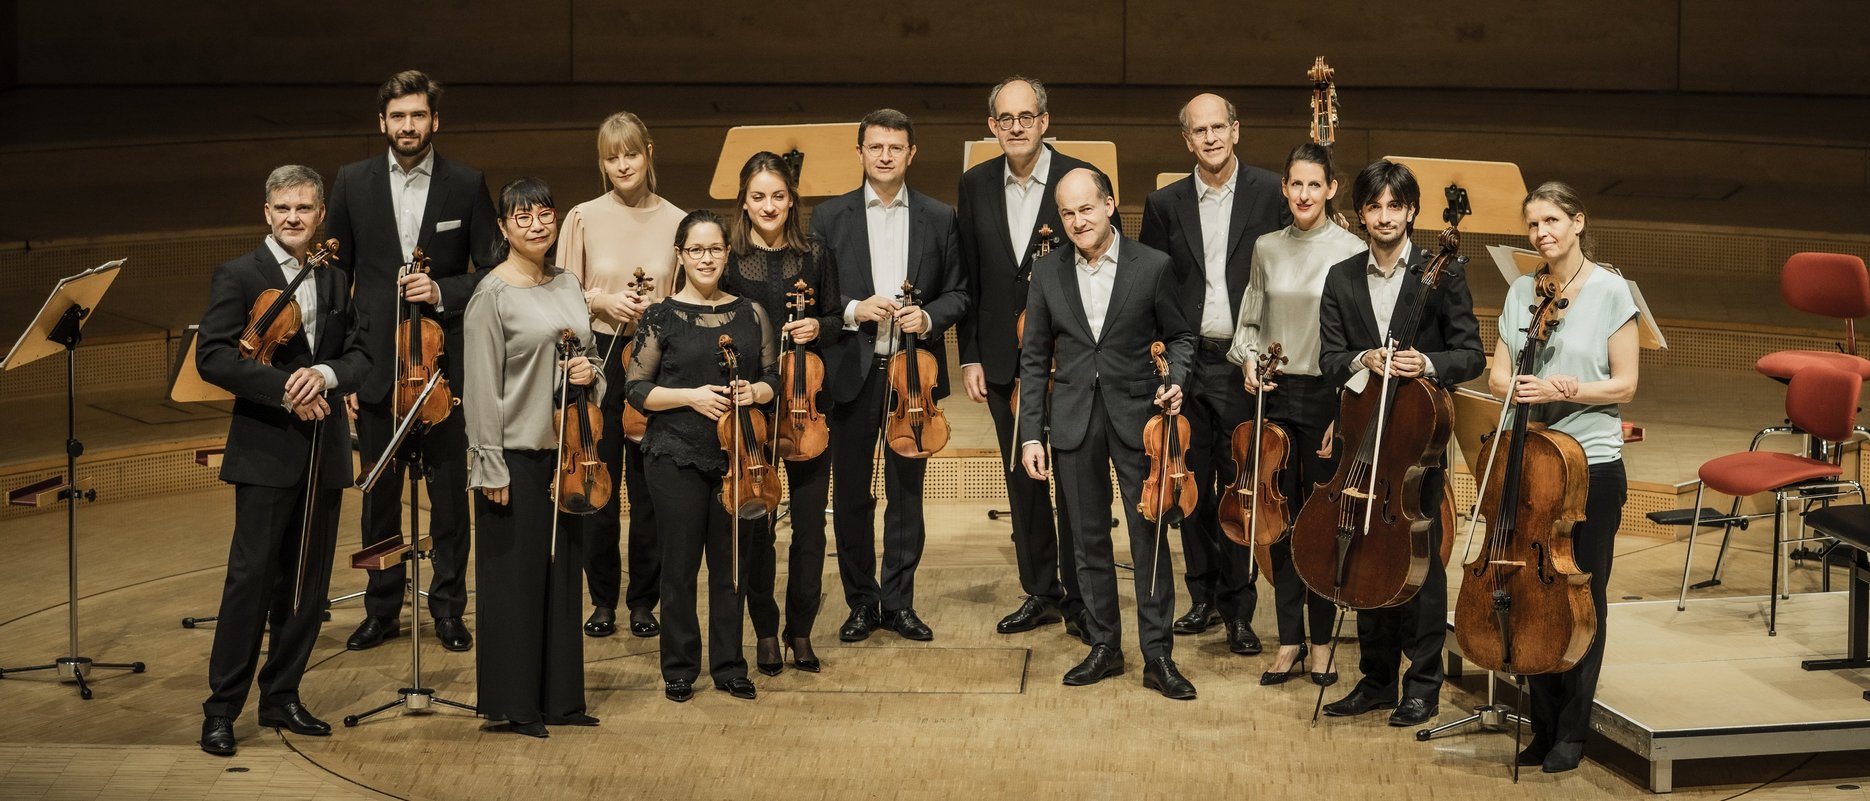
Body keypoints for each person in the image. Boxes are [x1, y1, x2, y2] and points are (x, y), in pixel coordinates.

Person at [196, 165, 370, 756]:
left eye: (303, 208)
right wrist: (284, 385)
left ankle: (282, 695)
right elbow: (214, 358)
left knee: (307, 585)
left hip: (324, 452)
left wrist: (324, 373)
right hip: (266, 448)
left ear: (321, 214)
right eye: (282, 208)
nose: (292, 217)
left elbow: (361, 356)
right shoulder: (240, 274)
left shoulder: (336, 277)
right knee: (250, 581)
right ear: (266, 213)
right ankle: (221, 709)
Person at [325, 69, 499, 653]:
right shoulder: (351, 183)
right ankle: (382, 609)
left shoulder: (467, 183)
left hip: (442, 370)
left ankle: (449, 608)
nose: (408, 126)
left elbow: (491, 275)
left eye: (418, 115)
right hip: (374, 365)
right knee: (380, 500)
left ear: (434, 120)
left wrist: (444, 292)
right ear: (383, 122)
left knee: (450, 502)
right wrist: (342, 369)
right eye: (397, 117)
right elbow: (336, 281)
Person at [1017, 168, 1198, 699]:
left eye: (1087, 209)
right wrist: (1031, 433)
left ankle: (1158, 654)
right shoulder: (1047, 273)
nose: (1077, 222)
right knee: (1087, 537)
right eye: (1068, 213)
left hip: (1139, 419)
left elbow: (1181, 337)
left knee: (1149, 539)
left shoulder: (1153, 266)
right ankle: (1104, 646)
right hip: (1073, 419)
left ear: (1111, 204)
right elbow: (1033, 360)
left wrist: (1177, 382)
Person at [1317, 159, 1484, 728]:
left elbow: (1471, 353)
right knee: (1364, 548)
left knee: (1421, 561)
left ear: (1411, 211)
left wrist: (1428, 362)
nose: (1384, 217)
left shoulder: (1443, 272)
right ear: (1360, 213)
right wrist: (1363, 359)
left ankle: (1424, 683)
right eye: (1374, 207)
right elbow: (1329, 359)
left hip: (1419, 443)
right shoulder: (1341, 277)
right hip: (1362, 434)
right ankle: (1375, 678)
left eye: (1395, 206)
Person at [957, 76, 1115, 640]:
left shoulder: (1079, 180)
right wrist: (970, 353)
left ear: (1045, 121)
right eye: (1005, 118)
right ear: (992, 126)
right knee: (1022, 481)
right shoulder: (974, 184)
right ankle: (1040, 591)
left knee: (1075, 479)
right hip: (1003, 357)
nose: (1017, 127)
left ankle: (1082, 595)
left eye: (1027, 116)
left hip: (1071, 358)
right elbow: (969, 275)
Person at [1490, 182, 1638, 773]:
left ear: (1578, 222)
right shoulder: (1525, 290)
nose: (1541, 234)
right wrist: (1520, 385)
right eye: (1532, 225)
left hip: (1590, 466)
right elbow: (1499, 375)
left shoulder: (1610, 290)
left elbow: (1625, 384)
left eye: (1552, 221)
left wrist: (1564, 388)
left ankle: (1573, 732)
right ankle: (1542, 724)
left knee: (1579, 596)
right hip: (1533, 459)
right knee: (1533, 594)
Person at [1138, 92, 1289, 655]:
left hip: (1243, 361)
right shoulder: (1164, 202)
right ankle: (1201, 595)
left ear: (1236, 129)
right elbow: (1153, 283)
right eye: (1198, 130)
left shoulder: (1269, 192)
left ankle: (1239, 609)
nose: (1210, 137)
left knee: (1241, 487)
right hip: (1186, 357)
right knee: (1189, 483)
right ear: (1186, 140)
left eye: (1218, 127)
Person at [811, 109, 968, 646]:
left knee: (907, 496)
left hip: (913, 378)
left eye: (895, 148)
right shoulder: (828, 218)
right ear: (859, 152)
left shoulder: (939, 215)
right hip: (851, 373)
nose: (884, 156)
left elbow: (959, 292)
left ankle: (899, 603)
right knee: (852, 492)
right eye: (875, 147)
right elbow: (818, 302)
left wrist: (927, 317)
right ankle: (861, 602)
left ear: (911, 154)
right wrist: (855, 309)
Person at [463, 178, 601, 737]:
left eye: (545, 214)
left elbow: (588, 353)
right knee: (514, 583)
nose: (537, 225)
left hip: (566, 452)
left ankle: (561, 701)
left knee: (562, 579)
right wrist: (488, 463)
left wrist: (593, 374)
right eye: (523, 218)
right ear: (503, 228)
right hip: (514, 458)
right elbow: (478, 389)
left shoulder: (568, 282)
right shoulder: (490, 296)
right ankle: (516, 704)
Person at [1226, 142, 1365, 684]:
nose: (1304, 194)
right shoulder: (1266, 247)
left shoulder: (1351, 250)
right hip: (1276, 394)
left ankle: (1323, 642)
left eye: (1315, 184)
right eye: (1295, 184)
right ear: (1284, 189)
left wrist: (1345, 403)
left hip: (1328, 399)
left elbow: (1358, 340)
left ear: (1331, 189)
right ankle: (1289, 640)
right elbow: (1250, 321)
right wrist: (1248, 364)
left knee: (1321, 525)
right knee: (1278, 522)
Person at [626, 209, 778, 702]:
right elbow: (636, 390)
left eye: (714, 248)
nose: (706, 258)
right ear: (681, 255)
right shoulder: (660, 316)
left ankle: (731, 665)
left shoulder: (752, 313)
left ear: (726, 253)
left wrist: (755, 390)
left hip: (739, 457)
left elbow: (773, 379)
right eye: (696, 249)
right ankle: (680, 665)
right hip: (674, 453)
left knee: (732, 565)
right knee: (680, 566)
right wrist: (691, 395)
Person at [560, 111, 687, 640]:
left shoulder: (677, 220)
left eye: (630, 153)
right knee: (598, 480)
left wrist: (655, 311)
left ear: (649, 153)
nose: (622, 165)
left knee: (651, 488)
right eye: (611, 157)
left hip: (657, 359)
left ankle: (643, 600)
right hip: (599, 359)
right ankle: (603, 598)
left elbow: (684, 295)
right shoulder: (583, 217)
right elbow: (562, 291)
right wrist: (601, 299)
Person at [721, 152, 842, 672]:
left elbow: (838, 317)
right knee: (758, 526)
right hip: (754, 411)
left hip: (806, 409)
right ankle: (766, 631)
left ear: (791, 200)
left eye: (777, 196)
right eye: (757, 197)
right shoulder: (727, 258)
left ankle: (801, 629)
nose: (768, 206)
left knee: (810, 529)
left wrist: (820, 328)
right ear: (743, 202)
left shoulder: (815, 252)